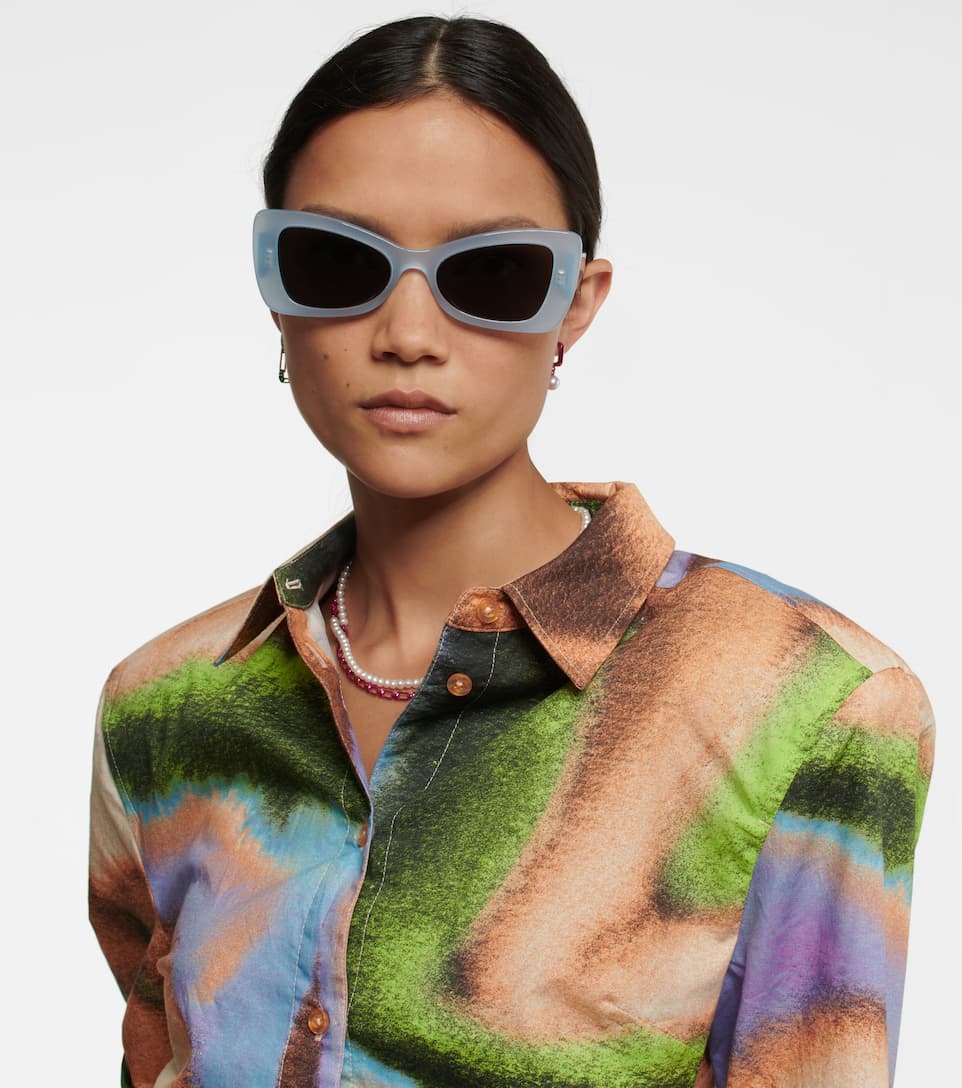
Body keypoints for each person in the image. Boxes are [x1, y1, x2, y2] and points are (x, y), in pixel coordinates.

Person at [87, 15, 935, 1088]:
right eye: (336, 263)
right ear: (275, 290)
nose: (406, 334)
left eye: (489, 274)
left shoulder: (809, 705)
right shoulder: (164, 706)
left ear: (574, 306)